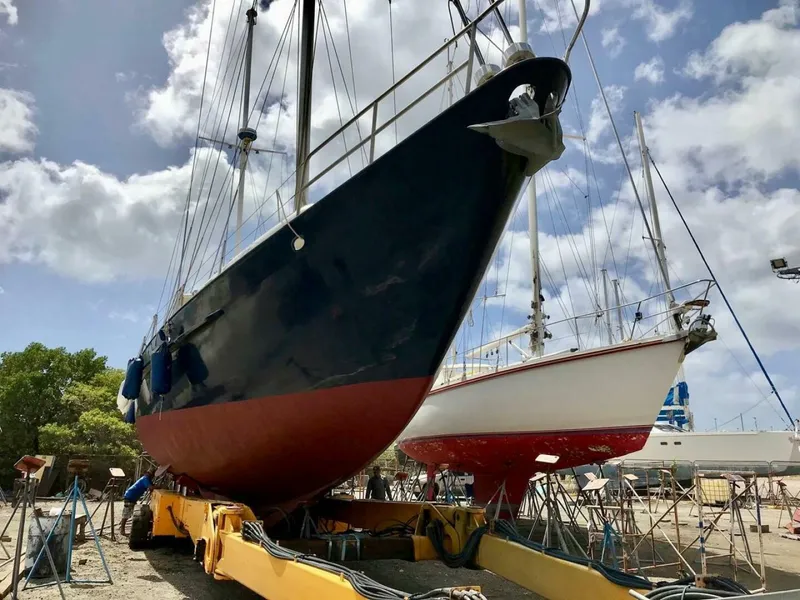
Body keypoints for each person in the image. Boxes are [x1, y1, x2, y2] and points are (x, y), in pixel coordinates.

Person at [120, 467, 156, 536]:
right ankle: (122, 530)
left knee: (130, 513)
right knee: (126, 514)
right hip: (130, 496)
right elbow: (151, 487)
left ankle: (122, 528)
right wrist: (159, 486)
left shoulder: (147, 479)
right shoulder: (145, 479)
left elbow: (152, 486)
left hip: (132, 497)